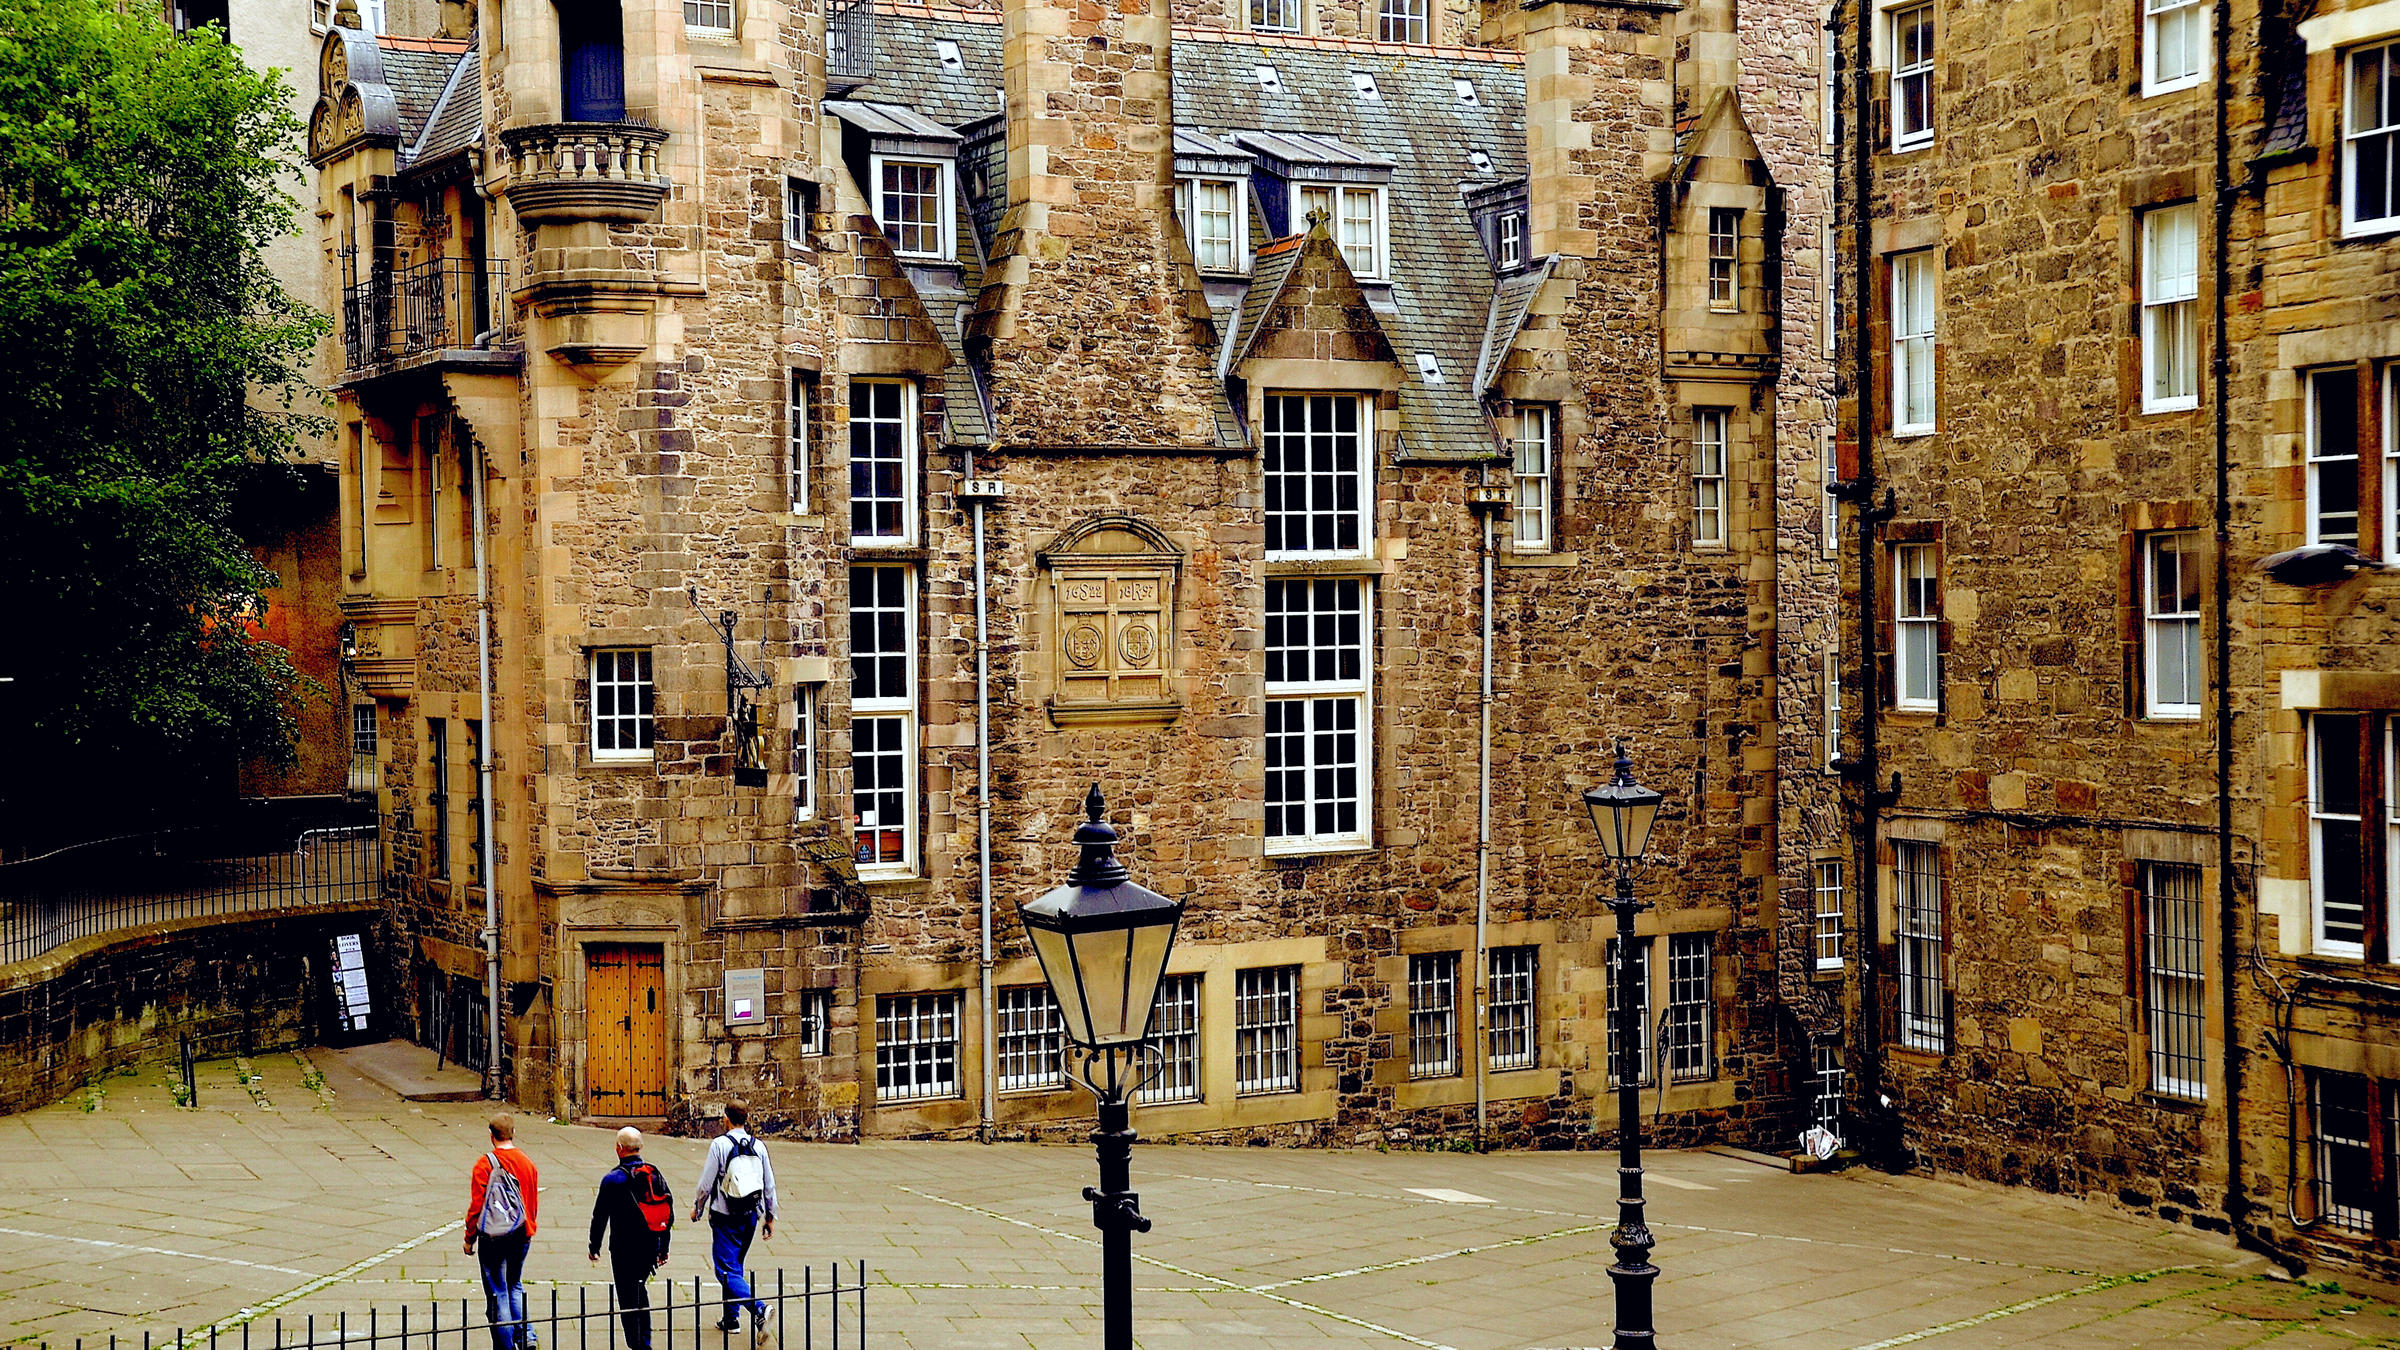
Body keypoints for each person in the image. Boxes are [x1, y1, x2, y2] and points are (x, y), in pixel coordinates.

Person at [691, 1099, 778, 1335]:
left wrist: (698, 1208)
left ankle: (759, 1309)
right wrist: (770, 1216)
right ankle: (731, 1319)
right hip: (750, 1215)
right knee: (735, 1265)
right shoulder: (759, 1146)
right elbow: (769, 1185)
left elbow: (705, 1184)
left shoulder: (719, 1144)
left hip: (725, 1215)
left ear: (726, 1119)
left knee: (725, 1270)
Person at [588, 1127, 673, 1350]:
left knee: (627, 1297)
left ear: (619, 1148)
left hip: (623, 1248)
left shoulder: (613, 1179)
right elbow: (666, 1212)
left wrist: (594, 1246)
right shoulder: (654, 1174)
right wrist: (663, 1247)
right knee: (640, 1289)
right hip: (649, 1245)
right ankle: (644, 1340)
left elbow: (600, 1216)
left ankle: (638, 1344)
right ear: (640, 1147)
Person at [463, 1112, 539, 1350]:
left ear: (491, 1135)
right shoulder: (527, 1163)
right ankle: (527, 1336)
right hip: (521, 1233)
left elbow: (477, 1207)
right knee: (514, 1284)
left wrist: (469, 1238)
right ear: (513, 1133)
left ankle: (506, 1345)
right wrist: (529, 1227)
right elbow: (532, 1202)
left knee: (498, 1292)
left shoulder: (484, 1164)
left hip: (493, 1238)